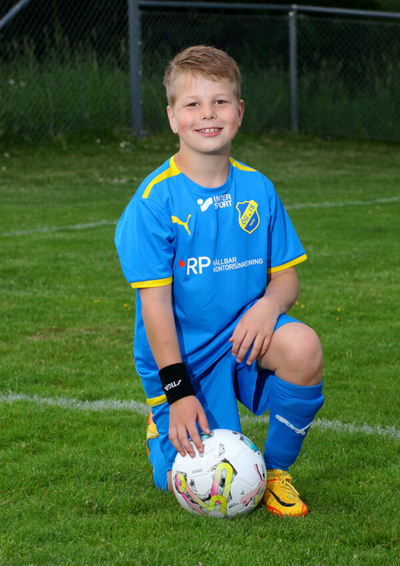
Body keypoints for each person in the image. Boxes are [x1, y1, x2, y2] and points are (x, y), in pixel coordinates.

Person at [115, 45, 324, 517]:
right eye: (193, 104)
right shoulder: (154, 202)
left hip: (244, 339)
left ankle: (274, 473)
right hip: (183, 357)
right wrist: (177, 391)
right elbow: (155, 308)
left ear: (239, 112)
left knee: (304, 347)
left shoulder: (258, 189)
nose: (208, 114)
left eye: (220, 102)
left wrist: (269, 306)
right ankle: (161, 425)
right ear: (173, 117)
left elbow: (286, 280)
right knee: (186, 480)